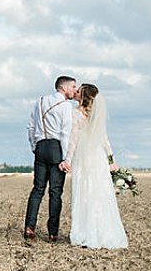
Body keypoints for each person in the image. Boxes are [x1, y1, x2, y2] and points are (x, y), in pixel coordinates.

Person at [66, 84, 128, 249]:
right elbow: (104, 140)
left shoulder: (75, 114)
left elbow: (73, 139)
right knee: (99, 192)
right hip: (98, 158)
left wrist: (68, 160)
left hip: (84, 157)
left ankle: (85, 232)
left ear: (83, 96)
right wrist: (110, 160)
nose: (76, 92)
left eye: (78, 91)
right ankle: (102, 232)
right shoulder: (95, 115)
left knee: (85, 192)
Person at [24, 75, 79, 242]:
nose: (74, 90)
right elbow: (65, 133)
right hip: (56, 148)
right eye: (73, 87)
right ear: (63, 88)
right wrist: (65, 158)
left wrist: (35, 146)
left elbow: (31, 127)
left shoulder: (39, 101)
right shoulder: (66, 106)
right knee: (55, 192)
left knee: (37, 189)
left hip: (40, 147)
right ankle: (52, 232)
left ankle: (29, 227)